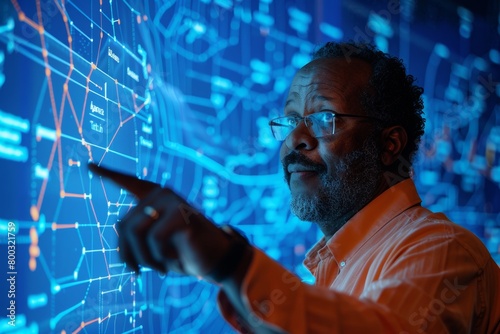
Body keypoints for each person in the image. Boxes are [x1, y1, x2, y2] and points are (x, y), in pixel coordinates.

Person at [89, 41, 500, 333]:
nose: (295, 139)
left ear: (389, 145)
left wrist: (232, 263)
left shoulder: (442, 249)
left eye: (324, 118)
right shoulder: (337, 265)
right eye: (290, 119)